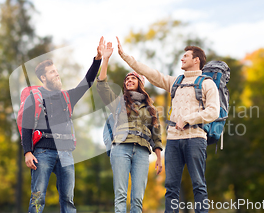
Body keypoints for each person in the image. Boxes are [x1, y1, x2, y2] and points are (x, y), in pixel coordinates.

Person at [116, 37, 220, 213]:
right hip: (173, 141)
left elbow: (213, 112)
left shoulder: (207, 83)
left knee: (198, 185)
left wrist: (188, 119)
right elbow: (148, 72)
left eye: (186, 56)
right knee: (171, 187)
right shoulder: (175, 82)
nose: (182, 58)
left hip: (195, 138)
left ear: (196, 60)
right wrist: (124, 56)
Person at [22, 37, 105, 213]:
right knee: (38, 196)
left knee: (68, 199)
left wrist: (98, 59)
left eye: (56, 70)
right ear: (43, 77)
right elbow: (26, 126)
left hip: (66, 153)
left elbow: (87, 82)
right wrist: (27, 151)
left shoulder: (68, 97)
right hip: (42, 152)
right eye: (52, 72)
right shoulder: (34, 98)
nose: (57, 74)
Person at [96, 40, 163, 213]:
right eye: (127, 79)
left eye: (133, 78)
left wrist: (159, 158)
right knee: (120, 195)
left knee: (137, 199)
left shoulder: (150, 108)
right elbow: (102, 86)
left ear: (140, 83)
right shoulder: (118, 102)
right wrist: (105, 60)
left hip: (142, 152)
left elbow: (156, 134)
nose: (128, 80)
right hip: (121, 149)